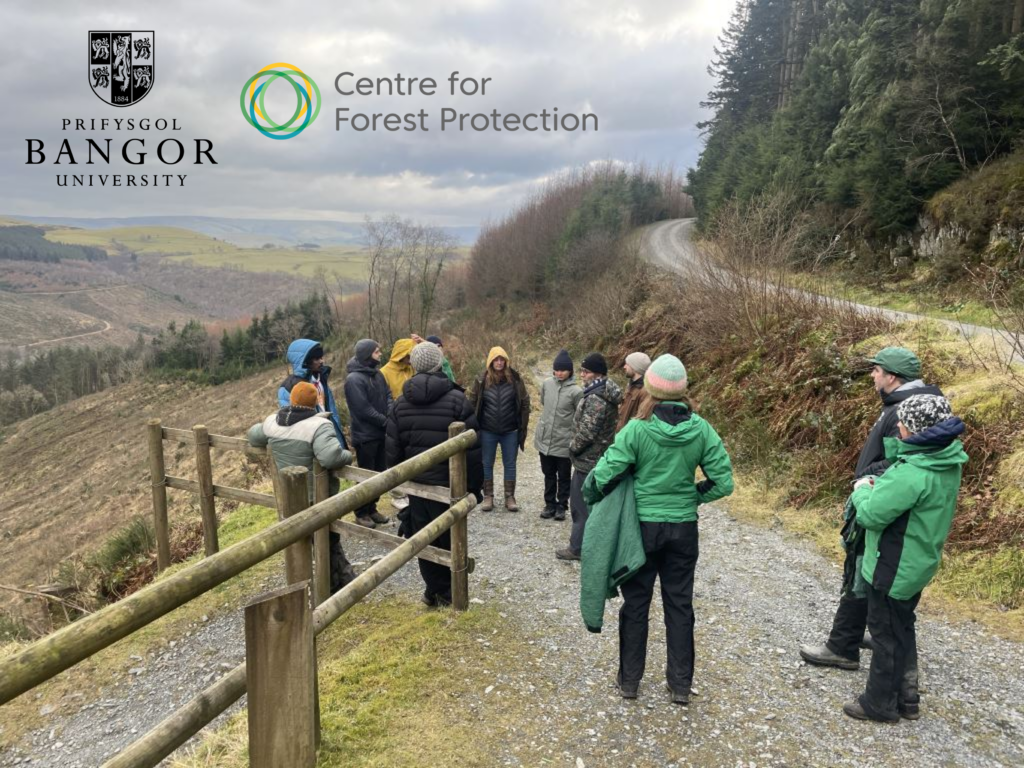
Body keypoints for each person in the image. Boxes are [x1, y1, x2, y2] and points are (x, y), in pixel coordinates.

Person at [583, 354, 734, 704]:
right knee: (680, 605)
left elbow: (605, 473)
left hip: (642, 529)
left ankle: (630, 682)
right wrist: (693, 498)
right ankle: (680, 685)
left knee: (636, 604)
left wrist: (593, 497)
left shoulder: (637, 429)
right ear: (683, 392)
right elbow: (723, 483)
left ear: (649, 389)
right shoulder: (702, 429)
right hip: (683, 529)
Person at [800, 347, 943, 671]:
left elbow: (897, 464)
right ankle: (853, 639)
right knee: (863, 571)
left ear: (892, 376)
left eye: (877, 370)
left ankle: (843, 646)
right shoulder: (906, 403)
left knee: (861, 570)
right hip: (886, 506)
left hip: (884, 509)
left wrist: (864, 480)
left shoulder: (906, 409)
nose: (872, 375)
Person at [843, 394, 966, 722]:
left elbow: (871, 515)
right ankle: (907, 697)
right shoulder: (947, 462)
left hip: (891, 567)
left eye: (904, 423)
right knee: (901, 627)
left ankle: (879, 704)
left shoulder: (912, 473)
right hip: (917, 562)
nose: (897, 425)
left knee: (884, 635)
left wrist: (863, 488)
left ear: (919, 431)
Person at [386, 342, 483, 607]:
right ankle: (451, 591)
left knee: (423, 536)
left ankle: (434, 590)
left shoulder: (400, 404)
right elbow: (473, 448)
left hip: (418, 486)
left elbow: (392, 452)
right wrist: (475, 487)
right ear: (439, 364)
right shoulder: (457, 400)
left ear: (414, 366)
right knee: (451, 535)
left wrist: (400, 483)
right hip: (451, 484)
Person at [249, 382, 357, 593]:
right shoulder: (317, 426)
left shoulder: (273, 422)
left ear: (292, 400)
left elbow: (253, 436)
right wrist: (348, 455)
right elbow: (330, 457)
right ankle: (337, 583)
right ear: (315, 401)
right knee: (328, 538)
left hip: (289, 494)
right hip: (316, 494)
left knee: (303, 540)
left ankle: (319, 582)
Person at [556, 352, 622, 561]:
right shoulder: (601, 391)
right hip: (597, 458)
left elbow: (587, 431)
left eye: (586, 371)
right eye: (582, 370)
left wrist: (572, 448)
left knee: (580, 506)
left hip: (588, 460)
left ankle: (578, 548)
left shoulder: (596, 398)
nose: (582, 374)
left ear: (597, 374)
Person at [468, 346, 530, 512]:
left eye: (502, 359)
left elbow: (525, 402)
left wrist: (522, 427)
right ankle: (488, 496)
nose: (499, 362)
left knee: (510, 464)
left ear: (506, 361)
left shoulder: (515, 379)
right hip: (487, 430)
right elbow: (472, 403)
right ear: (490, 361)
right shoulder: (481, 380)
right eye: (496, 359)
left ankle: (510, 496)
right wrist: (473, 427)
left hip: (510, 431)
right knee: (486, 464)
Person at [343, 339, 392, 529]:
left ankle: (372, 508)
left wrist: (390, 412)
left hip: (381, 433)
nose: (380, 354)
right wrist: (385, 421)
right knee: (365, 476)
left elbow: (388, 395)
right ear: (367, 354)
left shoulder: (377, 374)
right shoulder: (353, 380)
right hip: (366, 436)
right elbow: (362, 409)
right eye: (376, 351)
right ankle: (361, 512)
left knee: (379, 474)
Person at [534, 350, 582, 521]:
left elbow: (579, 414)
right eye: (557, 369)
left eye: (563, 370)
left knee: (563, 475)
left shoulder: (577, 391)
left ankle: (562, 505)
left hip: (564, 441)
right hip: (545, 438)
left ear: (570, 371)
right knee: (548, 473)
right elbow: (543, 402)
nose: (559, 372)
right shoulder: (547, 384)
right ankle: (549, 504)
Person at [278, 338, 348, 449]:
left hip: (331, 434)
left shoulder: (320, 379)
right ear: (305, 361)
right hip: (312, 442)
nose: (321, 361)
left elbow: (330, 409)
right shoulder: (288, 387)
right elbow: (290, 419)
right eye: (316, 358)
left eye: (321, 357)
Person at [380, 337, 418, 509]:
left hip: (413, 417)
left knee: (411, 455)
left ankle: (410, 491)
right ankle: (397, 494)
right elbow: (384, 398)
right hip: (395, 418)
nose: (410, 358)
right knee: (394, 456)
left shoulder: (412, 369)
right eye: (408, 354)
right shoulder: (384, 372)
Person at [616, 352, 651, 433]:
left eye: (627, 364)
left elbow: (642, 422)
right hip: (622, 436)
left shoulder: (645, 392)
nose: (624, 367)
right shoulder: (631, 385)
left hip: (629, 439)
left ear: (635, 367)